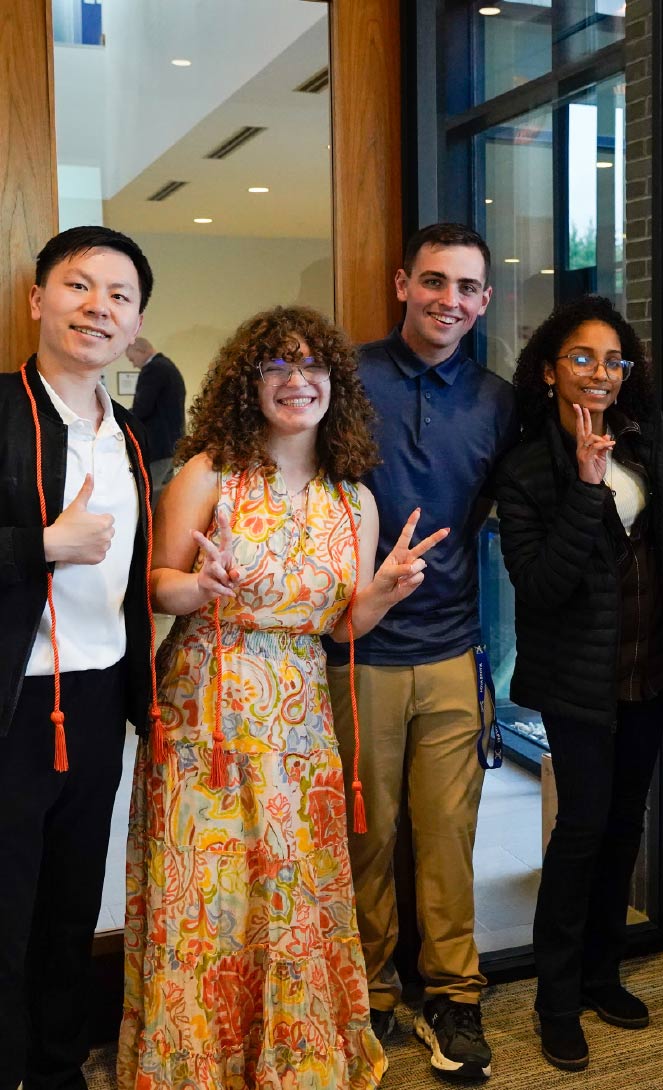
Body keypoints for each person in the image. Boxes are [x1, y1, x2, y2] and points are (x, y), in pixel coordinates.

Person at [117, 305, 448, 1089]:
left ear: (334, 383)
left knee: (291, 895)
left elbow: (341, 625)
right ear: (248, 382)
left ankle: (290, 1062)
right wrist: (197, 587)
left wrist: (387, 593)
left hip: (300, 719)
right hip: (208, 707)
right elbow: (155, 589)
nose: (297, 381)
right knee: (211, 899)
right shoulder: (209, 472)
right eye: (277, 367)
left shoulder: (353, 501)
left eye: (312, 367)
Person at [326, 222, 519, 1082]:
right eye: (435, 281)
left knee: (447, 836)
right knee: (365, 835)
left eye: (468, 288)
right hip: (354, 648)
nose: (451, 300)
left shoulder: (499, 398)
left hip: (452, 648)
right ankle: (366, 993)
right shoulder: (345, 378)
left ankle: (453, 997)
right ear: (403, 283)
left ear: (483, 301)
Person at [493, 296, 663, 1071]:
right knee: (581, 832)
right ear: (548, 370)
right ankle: (555, 1000)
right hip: (577, 681)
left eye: (613, 360)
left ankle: (603, 973)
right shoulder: (531, 467)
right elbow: (539, 586)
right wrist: (585, 484)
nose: (599, 373)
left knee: (625, 826)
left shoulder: (642, 439)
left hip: (647, 669)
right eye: (581, 358)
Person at [0, 225, 156, 1090]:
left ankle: (58, 1070)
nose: (99, 307)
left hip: (96, 701)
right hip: (12, 706)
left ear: (135, 325)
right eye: (79, 286)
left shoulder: (128, 436)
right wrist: (41, 544)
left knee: (69, 908)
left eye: (120, 296)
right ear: (37, 299)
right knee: (6, 910)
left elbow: (133, 581)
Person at [127, 335, 186, 499]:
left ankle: (152, 526)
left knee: (149, 495)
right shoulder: (169, 367)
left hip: (157, 446)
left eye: (132, 359)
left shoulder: (153, 369)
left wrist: (120, 417)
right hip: (172, 445)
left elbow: (142, 408)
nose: (133, 365)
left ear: (141, 350)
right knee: (166, 494)